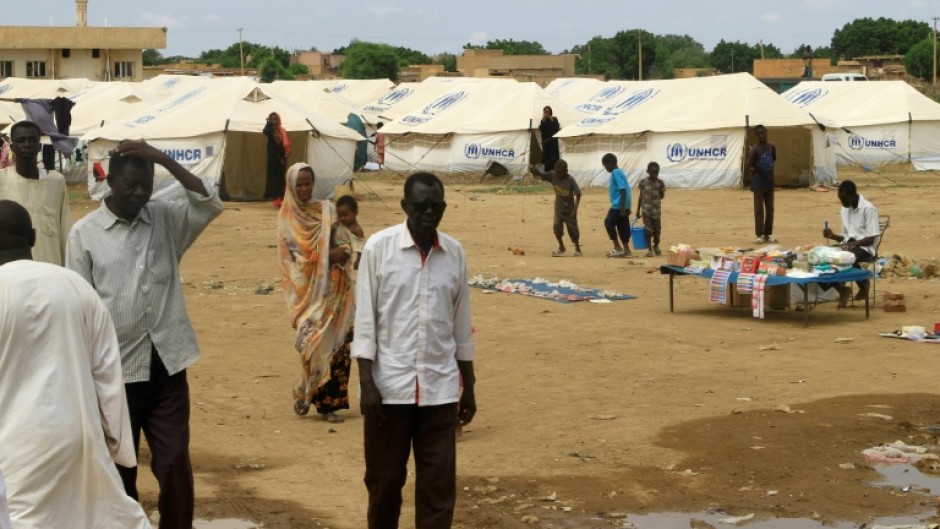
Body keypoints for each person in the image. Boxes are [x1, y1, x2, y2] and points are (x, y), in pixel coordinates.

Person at [66, 141, 224, 529]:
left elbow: (208, 200)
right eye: (131, 185)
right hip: (114, 375)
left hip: (167, 366)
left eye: (146, 185)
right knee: (122, 471)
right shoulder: (84, 235)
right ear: (111, 180)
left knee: (173, 465)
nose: (139, 194)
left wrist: (162, 158)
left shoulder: (165, 219)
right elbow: (78, 311)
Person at [0, 200, 150, 529]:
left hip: (14, 448)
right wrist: (117, 447)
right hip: (78, 441)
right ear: (34, 237)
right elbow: (109, 375)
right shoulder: (75, 286)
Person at [353, 172, 476, 529]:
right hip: (388, 390)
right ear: (405, 206)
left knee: (438, 488)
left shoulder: (454, 253)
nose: (429, 211)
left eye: (436, 205)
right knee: (385, 483)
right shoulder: (379, 248)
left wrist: (468, 385)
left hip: (439, 389)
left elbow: (460, 325)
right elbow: (365, 322)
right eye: (421, 205)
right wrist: (367, 383)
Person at [278, 163, 356, 422]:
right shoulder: (288, 220)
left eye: (307, 183)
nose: (303, 189)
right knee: (314, 346)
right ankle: (310, 390)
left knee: (340, 346)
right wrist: (325, 256)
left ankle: (328, 403)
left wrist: (342, 252)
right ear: (290, 186)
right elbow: (292, 261)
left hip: (336, 292)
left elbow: (346, 238)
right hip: (309, 297)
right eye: (298, 184)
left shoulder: (327, 210)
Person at [0, 121, 71, 265]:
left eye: (32, 140)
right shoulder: (2, 180)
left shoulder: (56, 182)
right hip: (10, 273)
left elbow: (66, 232)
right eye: (21, 140)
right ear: (12, 147)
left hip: (50, 270)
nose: (27, 145)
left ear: (39, 146)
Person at [823, 180, 880, 307]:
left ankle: (864, 284)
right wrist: (832, 236)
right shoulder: (845, 209)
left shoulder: (868, 209)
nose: (842, 203)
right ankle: (842, 289)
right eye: (841, 200)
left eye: (844, 200)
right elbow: (845, 237)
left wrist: (854, 244)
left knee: (847, 257)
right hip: (849, 246)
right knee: (823, 257)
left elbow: (871, 238)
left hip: (866, 247)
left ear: (853, 195)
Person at [530, 159, 581, 256]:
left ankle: (578, 248)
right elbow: (541, 174)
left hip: (570, 210)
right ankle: (561, 247)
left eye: (560, 172)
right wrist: (534, 169)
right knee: (556, 227)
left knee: (573, 230)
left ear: (565, 171)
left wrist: (575, 210)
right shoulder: (553, 175)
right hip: (559, 208)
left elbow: (578, 194)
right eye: (556, 171)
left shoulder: (570, 180)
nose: (557, 174)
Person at [747, 124, 777, 244]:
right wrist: (752, 180)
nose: (761, 136)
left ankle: (767, 234)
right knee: (759, 210)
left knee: (770, 209)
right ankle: (759, 235)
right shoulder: (755, 149)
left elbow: (773, 160)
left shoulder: (772, 147)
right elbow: (749, 165)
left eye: (763, 133)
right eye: (759, 134)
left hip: (769, 182)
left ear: (766, 132)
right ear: (756, 135)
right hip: (758, 184)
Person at [602, 153, 632, 257]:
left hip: (618, 206)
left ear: (610, 163)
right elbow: (626, 189)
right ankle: (627, 250)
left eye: (605, 166)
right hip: (623, 205)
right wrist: (627, 206)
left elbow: (623, 189)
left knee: (608, 223)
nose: (605, 168)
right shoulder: (620, 172)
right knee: (622, 227)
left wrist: (623, 208)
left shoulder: (615, 173)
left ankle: (617, 247)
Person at [636, 161, 666, 257]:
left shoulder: (660, 183)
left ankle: (656, 245)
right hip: (646, 211)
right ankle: (649, 249)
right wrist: (637, 210)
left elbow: (662, 196)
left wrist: (659, 193)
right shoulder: (643, 183)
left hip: (657, 212)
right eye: (652, 172)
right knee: (648, 230)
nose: (654, 175)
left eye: (656, 173)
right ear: (648, 171)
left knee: (657, 231)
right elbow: (640, 197)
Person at [333, 194, 366, 282]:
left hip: (345, 257)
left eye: (345, 215)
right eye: (340, 216)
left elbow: (360, 247)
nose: (342, 218)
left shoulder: (356, 229)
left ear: (355, 212)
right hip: (334, 252)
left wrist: (358, 260)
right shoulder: (339, 224)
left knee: (344, 276)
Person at [263, 112, 291, 203]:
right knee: (274, 179)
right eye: (272, 119)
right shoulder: (270, 131)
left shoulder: (282, 130)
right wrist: (268, 122)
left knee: (281, 180)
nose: (274, 121)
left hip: (282, 160)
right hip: (273, 160)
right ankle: (276, 199)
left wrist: (285, 156)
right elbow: (265, 131)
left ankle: (281, 198)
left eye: (276, 119)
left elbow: (285, 145)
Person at [539, 106, 561, 171]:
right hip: (546, 142)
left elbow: (556, 128)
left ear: (550, 112)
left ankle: (555, 169)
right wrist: (543, 119)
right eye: (545, 111)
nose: (546, 113)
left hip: (553, 142)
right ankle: (547, 170)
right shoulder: (543, 120)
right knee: (547, 156)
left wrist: (551, 119)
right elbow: (541, 129)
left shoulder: (555, 119)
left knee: (554, 156)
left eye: (548, 111)